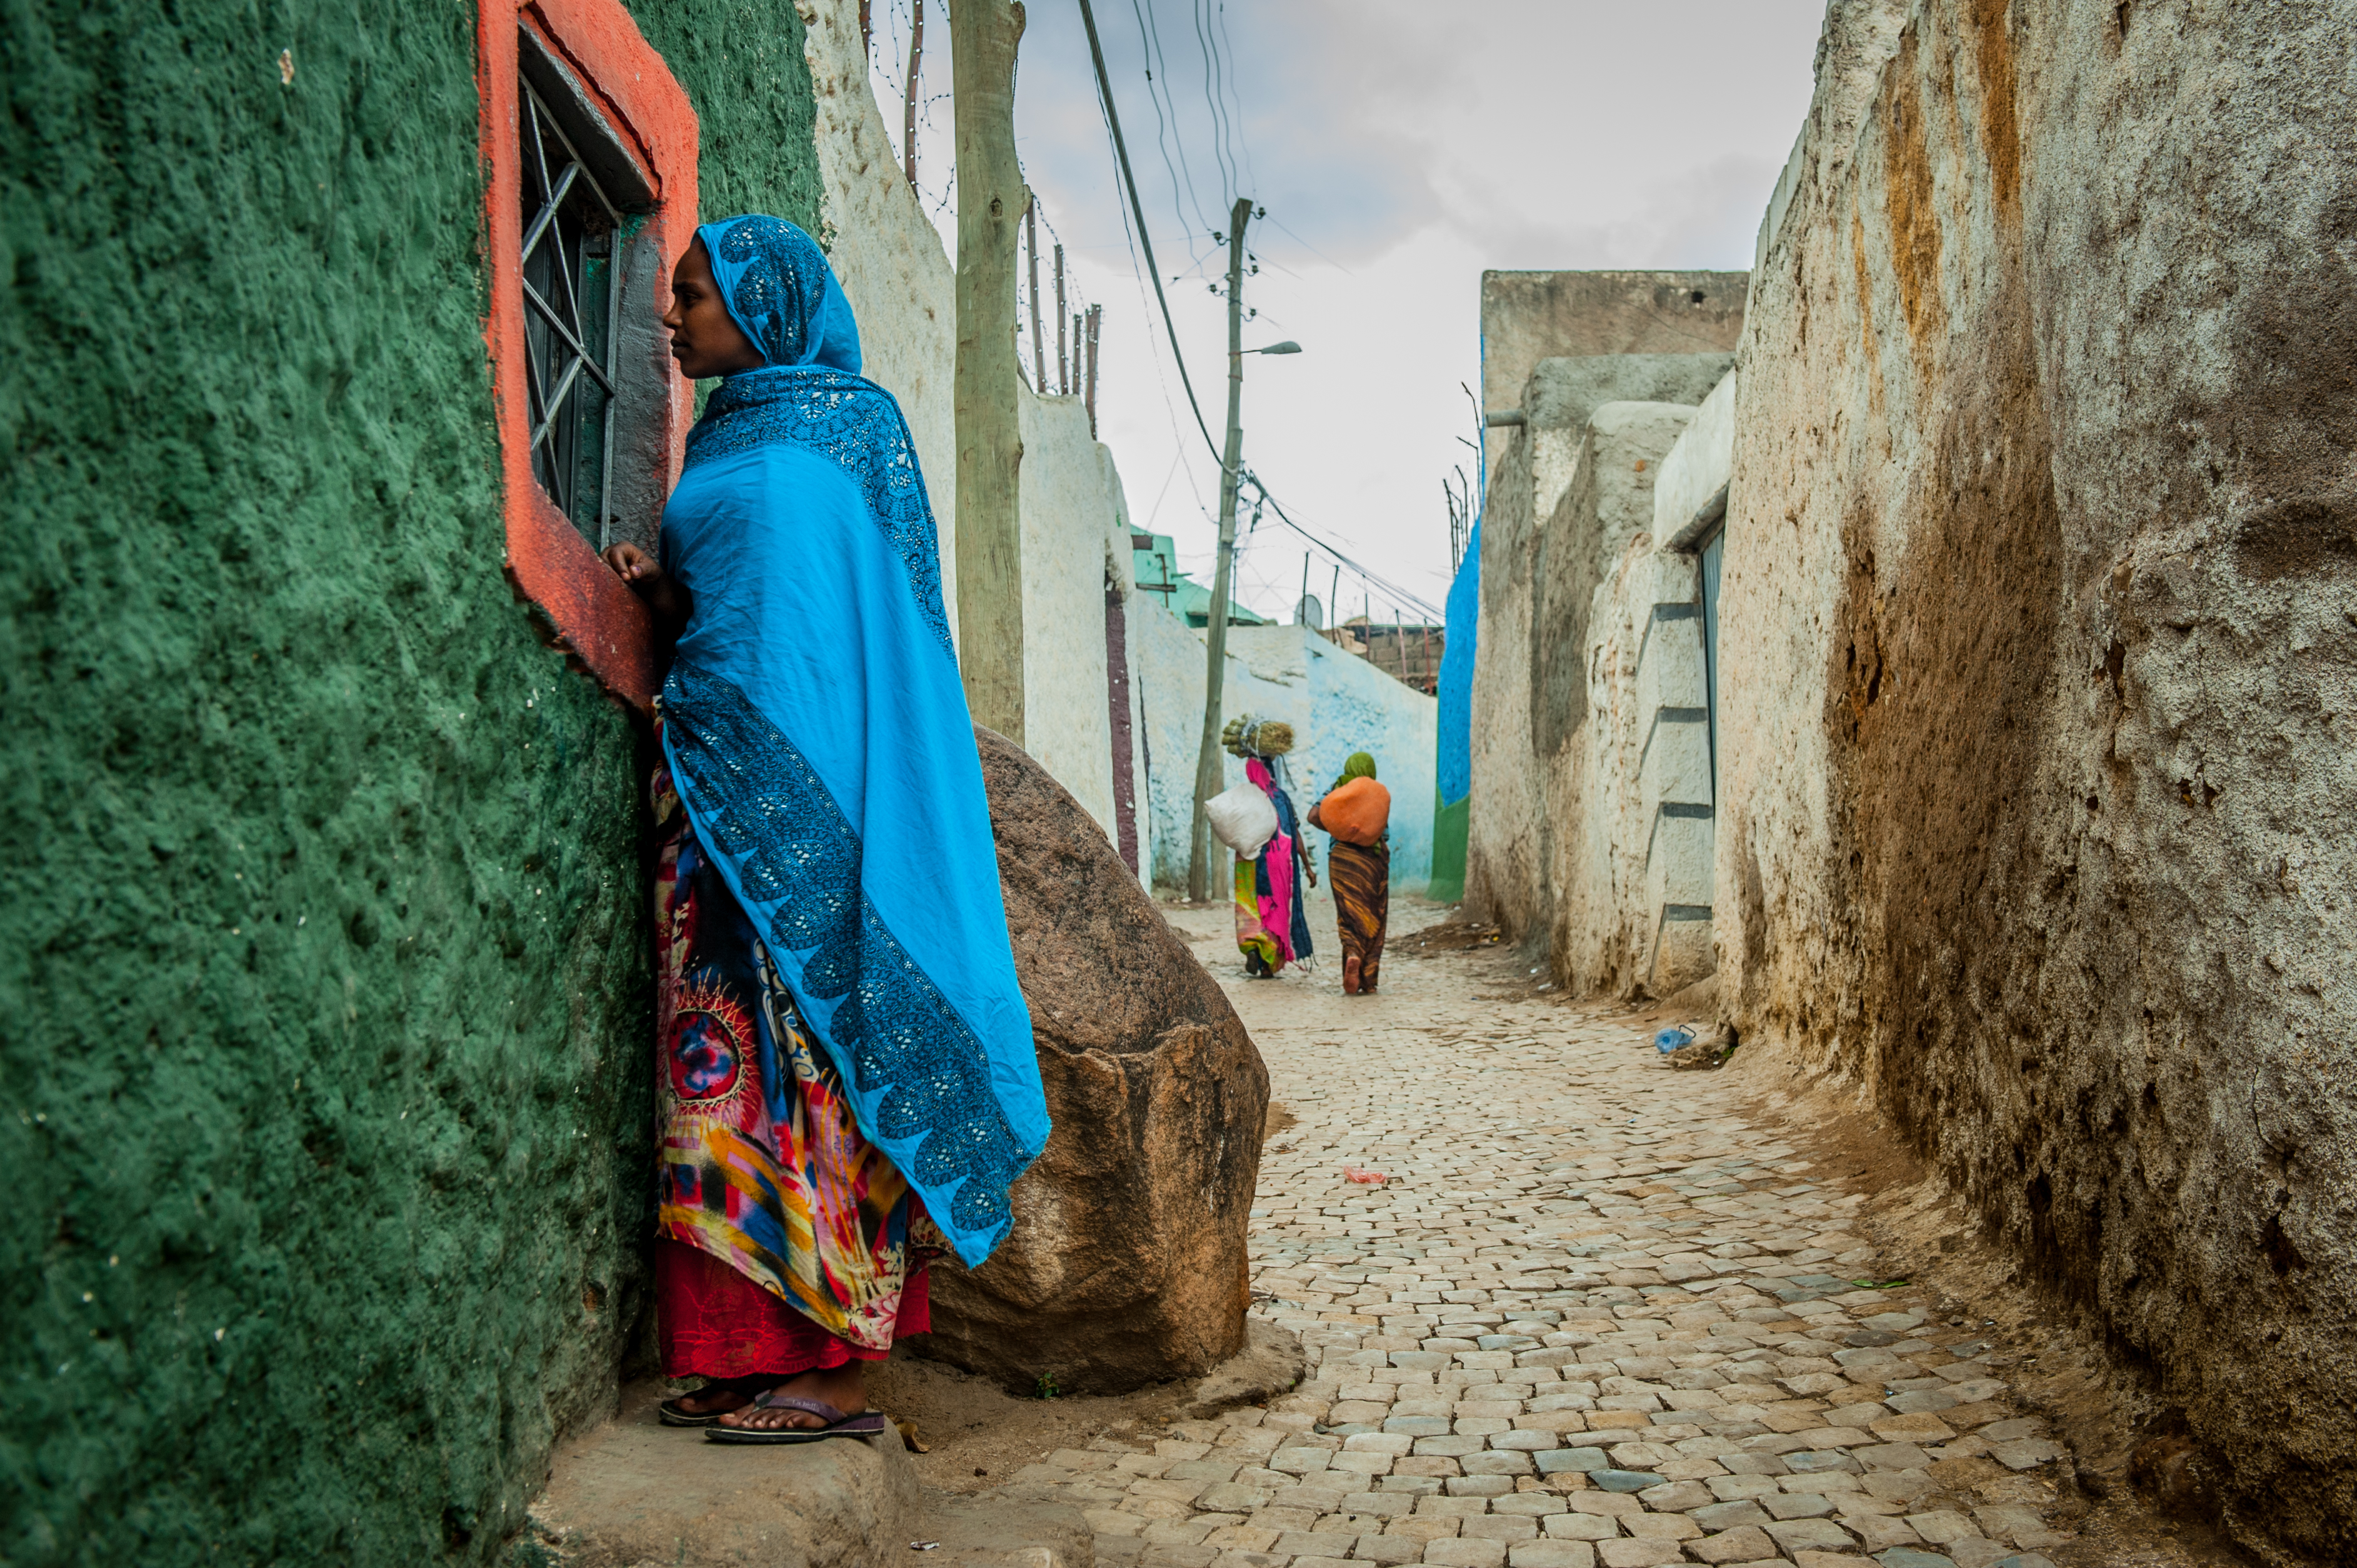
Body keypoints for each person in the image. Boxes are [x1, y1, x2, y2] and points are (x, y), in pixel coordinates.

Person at [601, 216, 1049, 1442]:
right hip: (709, 811)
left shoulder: (858, 433)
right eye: (675, 296)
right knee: (720, 1089)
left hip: (822, 830)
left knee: (814, 1083)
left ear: (766, 302)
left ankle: (837, 1365)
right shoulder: (719, 438)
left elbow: (873, 645)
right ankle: (744, 1354)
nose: (671, 315)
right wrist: (665, 600)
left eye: (691, 295)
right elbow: (745, 610)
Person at [1308, 752, 1391, 995]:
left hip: (1342, 858)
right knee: (1375, 915)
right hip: (1373, 860)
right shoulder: (1378, 792)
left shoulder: (1337, 790)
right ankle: (1369, 979)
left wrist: (1338, 828)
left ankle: (1352, 953)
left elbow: (1313, 815)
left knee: (1348, 914)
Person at [1233, 747, 1315, 978]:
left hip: (1247, 862)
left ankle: (1252, 947)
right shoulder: (1281, 798)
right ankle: (1270, 962)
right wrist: (1308, 867)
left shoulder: (1244, 797)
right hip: (1276, 861)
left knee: (1249, 906)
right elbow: (1295, 834)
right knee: (1275, 910)